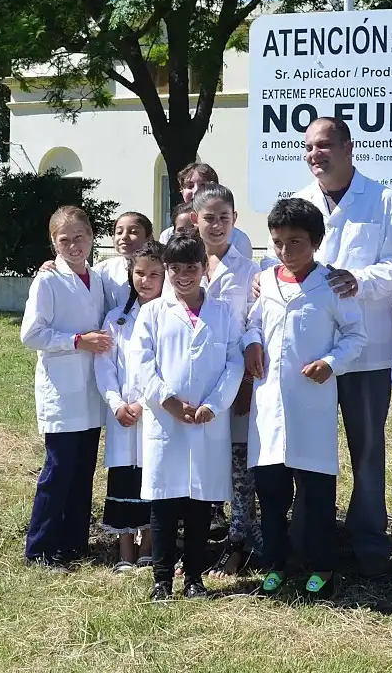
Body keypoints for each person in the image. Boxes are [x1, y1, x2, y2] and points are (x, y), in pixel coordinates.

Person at [288, 116, 392, 575]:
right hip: (312, 357)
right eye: (308, 147)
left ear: (348, 147)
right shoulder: (298, 202)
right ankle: (310, 540)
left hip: (368, 353)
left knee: (366, 450)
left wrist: (358, 281)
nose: (315, 155)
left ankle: (368, 543)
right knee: (308, 449)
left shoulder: (382, 200)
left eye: (324, 146)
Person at [243, 198, 367, 598]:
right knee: (272, 492)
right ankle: (276, 563)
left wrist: (331, 362)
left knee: (315, 493)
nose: (285, 251)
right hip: (269, 408)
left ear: (315, 241)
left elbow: (356, 337)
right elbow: (251, 325)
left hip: (311, 404)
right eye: (278, 242)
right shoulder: (267, 282)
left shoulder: (331, 285)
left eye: (295, 242)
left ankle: (323, 566)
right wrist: (250, 345)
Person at [135, 234, 244, 600]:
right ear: (167, 270)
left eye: (191, 268)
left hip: (207, 420)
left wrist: (213, 404)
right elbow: (142, 363)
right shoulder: (152, 313)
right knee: (164, 502)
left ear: (203, 269)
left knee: (201, 501)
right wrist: (168, 402)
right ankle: (162, 580)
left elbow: (234, 362)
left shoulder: (223, 313)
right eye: (176, 269)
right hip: (166, 420)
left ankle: (195, 578)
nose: (184, 276)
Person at [172, 184, 263, 576]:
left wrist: (242, 384)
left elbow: (251, 326)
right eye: (209, 218)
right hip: (191, 386)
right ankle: (199, 537)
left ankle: (242, 540)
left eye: (224, 217)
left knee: (239, 466)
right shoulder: (183, 264)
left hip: (233, 379)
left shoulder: (249, 270)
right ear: (195, 220)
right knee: (198, 462)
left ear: (235, 220)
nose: (217, 225)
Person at [19, 206, 113, 570]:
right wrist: (77, 341)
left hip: (92, 390)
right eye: (64, 240)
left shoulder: (98, 277)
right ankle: (40, 547)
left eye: (80, 237)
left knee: (83, 471)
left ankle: (74, 543)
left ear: (91, 237)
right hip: (62, 390)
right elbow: (31, 334)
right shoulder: (48, 280)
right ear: (53, 243)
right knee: (58, 470)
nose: (73, 245)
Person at [94, 240, 165, 572]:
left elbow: (168, 368)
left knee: (153, 475)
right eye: (140, 273)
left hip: (155, 412)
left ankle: (150, 543)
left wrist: (142, 403)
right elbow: (105, 366)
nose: (146, 280)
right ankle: (125, 547)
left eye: (154, 274)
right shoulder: (115, 319)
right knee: (123, 476)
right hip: (122, 414)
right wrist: (117, 403)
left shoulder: (170, 316)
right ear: (130, 274)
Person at [158, 162, 254, 258]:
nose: (195, 191)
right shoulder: (168, 235)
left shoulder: (238, 239)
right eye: (190, 186)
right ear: (182, 191)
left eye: (203, 185)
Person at [95, 212, 153, 312]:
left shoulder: (162, 269)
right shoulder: (102, 270)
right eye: (119, 232)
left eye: (133, 232)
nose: (124, 237)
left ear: (148, 238)